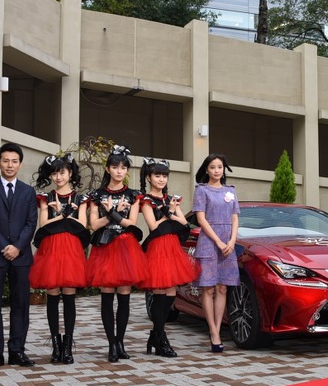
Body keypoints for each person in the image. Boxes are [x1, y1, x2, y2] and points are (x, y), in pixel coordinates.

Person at [0, 143, 39, 368]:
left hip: (21, 257)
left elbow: (31, 222)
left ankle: (17, 351)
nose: (10, 165)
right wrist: (5, 246)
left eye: (14, 161)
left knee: (20, 304)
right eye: (5, 160)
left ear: (20, 164)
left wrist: (18, 247)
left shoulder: (28, 191)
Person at [86, 145, 145, 362]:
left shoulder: (133, 195)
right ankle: (111, 343)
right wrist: (112, 214)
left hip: (125, 245)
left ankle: (120, 341)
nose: (119, 171)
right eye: (115, 167)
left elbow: (132, 223)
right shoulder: (97, 195)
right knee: (107, 296)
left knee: (124, 297)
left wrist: (116, 214)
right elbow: (93, 224)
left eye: (123, 167)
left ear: (127, 170)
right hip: (105, 246)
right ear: (108, 169)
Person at [29, 154, 90, 364]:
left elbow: (81, 225)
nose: (58, 177)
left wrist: (60, 215)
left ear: (70, 173)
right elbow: (43, 225)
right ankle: (55, 345)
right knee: (52, 295)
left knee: (69, 296)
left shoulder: (81, 198)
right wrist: (65, 215)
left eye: (62, 172)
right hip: (51, 248)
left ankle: (68, 345)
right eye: (54, 173)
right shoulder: (45, 198)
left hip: (71, 248)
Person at [139, 158, 199, 357]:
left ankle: (156, 334)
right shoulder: (146, 200)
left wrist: (171, 211)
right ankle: (160, 337)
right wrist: (168, 214)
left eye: (164, 175)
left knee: (171, 294)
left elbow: (183, 222)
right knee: (159, 293)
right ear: (149, 177)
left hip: (172, 247)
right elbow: (153, 226)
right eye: (157, 175)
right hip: (157, 247)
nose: (161, 179)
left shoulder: (171, 198)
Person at [192, 153, 240, 352]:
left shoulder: (231, 191)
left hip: (228, 243)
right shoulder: (201, 190)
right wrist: (219, 242)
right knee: (208, 288)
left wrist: (232, 240)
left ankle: (218, 329)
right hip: (209, 242)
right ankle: (213, 332)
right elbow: (201, 220)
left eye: (220, 167)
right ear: (206, 170)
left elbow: (235, 217)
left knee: (222, 288)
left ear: (224, 169)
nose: (217, 170)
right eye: (212, 167)